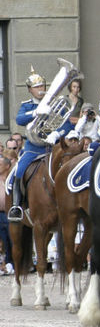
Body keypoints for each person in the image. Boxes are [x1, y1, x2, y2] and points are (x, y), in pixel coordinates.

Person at [7, 69, 68, 222]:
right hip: (33, 149)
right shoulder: (27, 106)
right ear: (29, 89)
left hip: (52, 149)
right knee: (19, 171)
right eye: (36, 87)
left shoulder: (55, 104)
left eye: (42, 86)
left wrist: (57, 133)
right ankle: (16, 206)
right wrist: (35, 113)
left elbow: (67, 125)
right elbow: (19, 119)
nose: (40, 89)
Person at [0, 156, 12, 274]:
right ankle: (2, 264)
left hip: (9, 214)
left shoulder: (11, 179)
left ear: (7, 166)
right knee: (1, 241)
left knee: (11, 239)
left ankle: (11, 263)